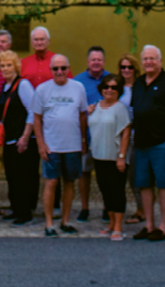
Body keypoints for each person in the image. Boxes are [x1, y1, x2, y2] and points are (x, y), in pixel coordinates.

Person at [131, 45, 165, 242]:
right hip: (141, 143)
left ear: (160, 61)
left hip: (162, 143)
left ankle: (163, 227)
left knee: (164, 185)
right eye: (145, 59)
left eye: (152, 58)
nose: (148, 62)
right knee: (144, 185)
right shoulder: (138, 83)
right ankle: (149, 225)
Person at [31, 54, 88, 237]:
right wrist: (40, 144)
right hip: (51, 146)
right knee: (51, 182)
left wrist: (83, 140)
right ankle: (49, 224)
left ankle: (65, 221)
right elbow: (37, 119)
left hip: (72, 145)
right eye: (56, 69)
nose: (60, 72)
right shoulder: (42, 89)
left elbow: (82, 116)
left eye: (63, 68)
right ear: (51, 70)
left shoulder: (78, 88)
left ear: (68, 69)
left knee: (70, 182)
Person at [0, 50, 37, 225]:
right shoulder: (6, 87)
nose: (5, 68)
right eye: (3, 65)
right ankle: (16, 208)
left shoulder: (23, 85)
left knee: (23, 177)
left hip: (22, 140)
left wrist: (25, 137)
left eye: (9, 65)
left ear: (16, 66)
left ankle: (25, 212)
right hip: (9, 139)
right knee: (12, 176)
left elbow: (33, 111)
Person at [88, 73, 131, 240]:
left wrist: (121, 156)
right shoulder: (96, 106)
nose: (109, 90)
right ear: (101, 89)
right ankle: (111, 223)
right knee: (105, 191)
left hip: (115, 157)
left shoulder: (120, 108)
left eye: (114, 87)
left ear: (119, 90)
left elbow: (126, 133)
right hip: (99, 155)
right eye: (106, 87)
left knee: (117, 191)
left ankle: (119, 226)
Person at [75, 46, 110, 222]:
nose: (96, 62)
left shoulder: (111, 80)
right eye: (93, 59)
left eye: (99, 59)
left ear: (104, 62)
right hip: (86, 135)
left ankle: (106, 207)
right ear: (88, 62)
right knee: (84, 172)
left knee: (105, 173)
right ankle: (84, 207)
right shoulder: (78, 81)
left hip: (107, 136)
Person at [117, 53, 143, 224]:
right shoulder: (116, 86)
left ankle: (141, 210)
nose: (126, 70)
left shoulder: (140, 87)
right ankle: (116, 209)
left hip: (135, 135)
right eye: (123, 67)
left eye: (129, 67)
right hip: (117, 136)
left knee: (135, 175)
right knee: (118, 176)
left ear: (135, 69)